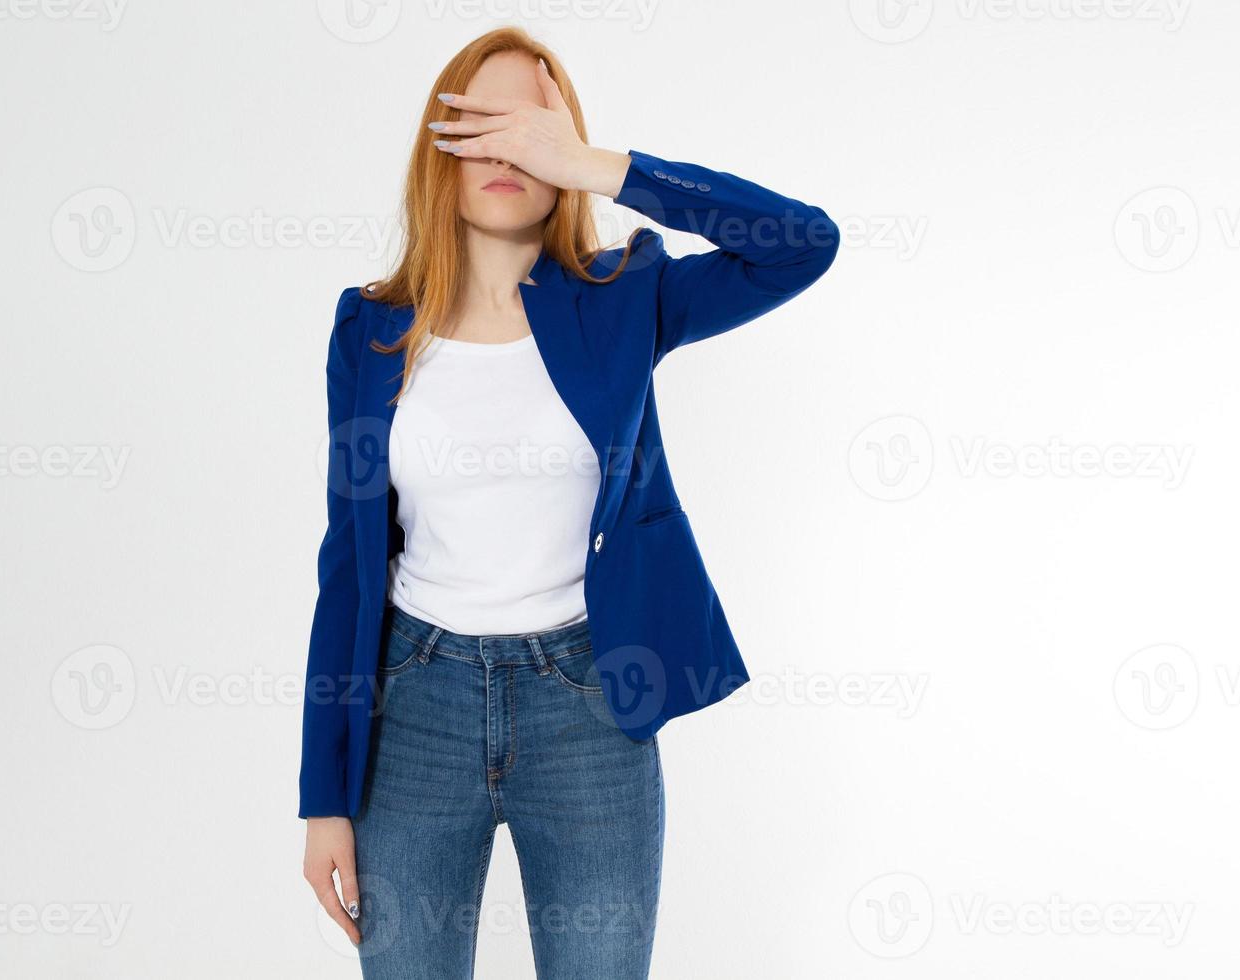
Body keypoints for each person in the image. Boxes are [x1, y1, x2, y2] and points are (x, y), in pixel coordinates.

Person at [298, 26, 839, 979]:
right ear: (440, 149)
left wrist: (604, 167)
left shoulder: (625, 300)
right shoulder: (371, 330)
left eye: (533, 128)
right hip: (411, 704)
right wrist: (323, 797)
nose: (508, 151)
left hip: (589, 702)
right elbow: (346, 567)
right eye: (482, 125)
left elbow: (801, 246)